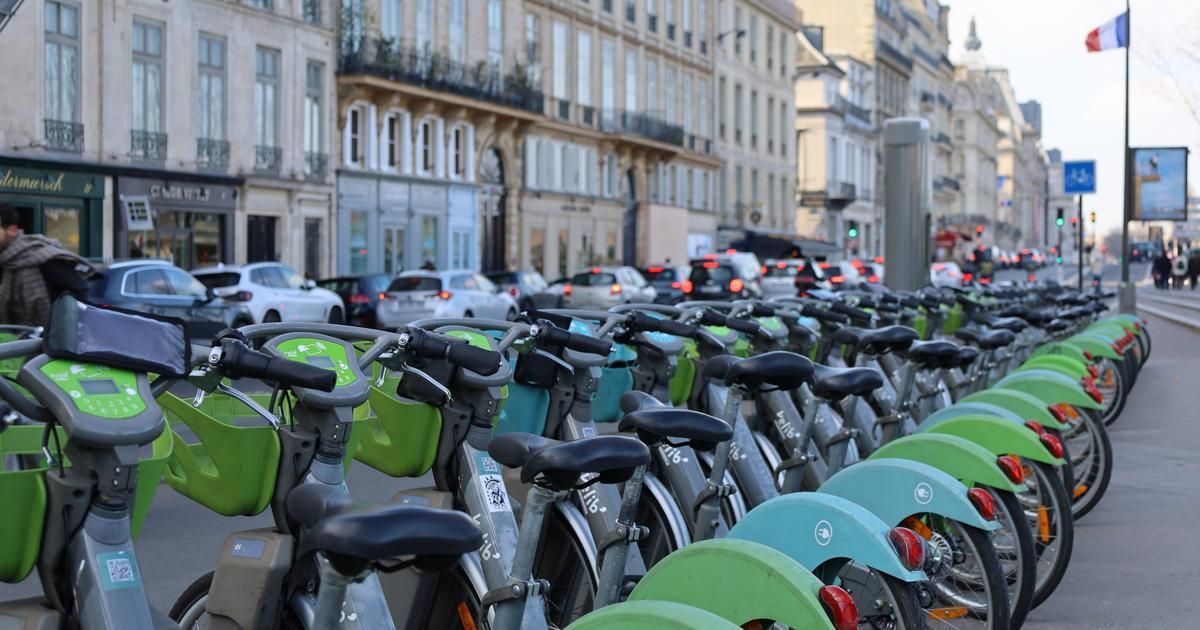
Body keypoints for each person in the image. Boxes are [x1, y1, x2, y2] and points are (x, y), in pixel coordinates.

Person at [0, 204, 92, 327]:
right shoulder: (5, 262)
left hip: (48, 339)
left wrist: (62, 330)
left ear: (12, 230)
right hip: (15, 340)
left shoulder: (42, 255)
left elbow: (79, 293)